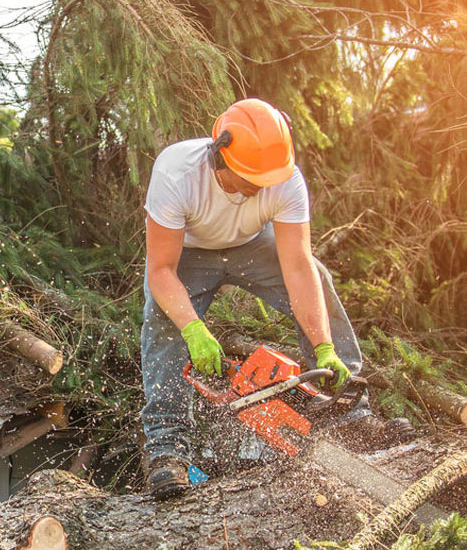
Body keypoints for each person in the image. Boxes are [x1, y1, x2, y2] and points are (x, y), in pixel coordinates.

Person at [140, 97, 412, 500]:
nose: (260, 188)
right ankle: (167, 448)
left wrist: (322, 346)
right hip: (190, 253)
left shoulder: (284, 177)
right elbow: (160, 270)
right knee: (165, 320)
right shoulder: (177, 172)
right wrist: (194, 330)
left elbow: (298, 267)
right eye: (251, 180)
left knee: (318, 276)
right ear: (220, 157)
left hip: (251, 245)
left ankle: (349, 409)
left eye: (266, 180)